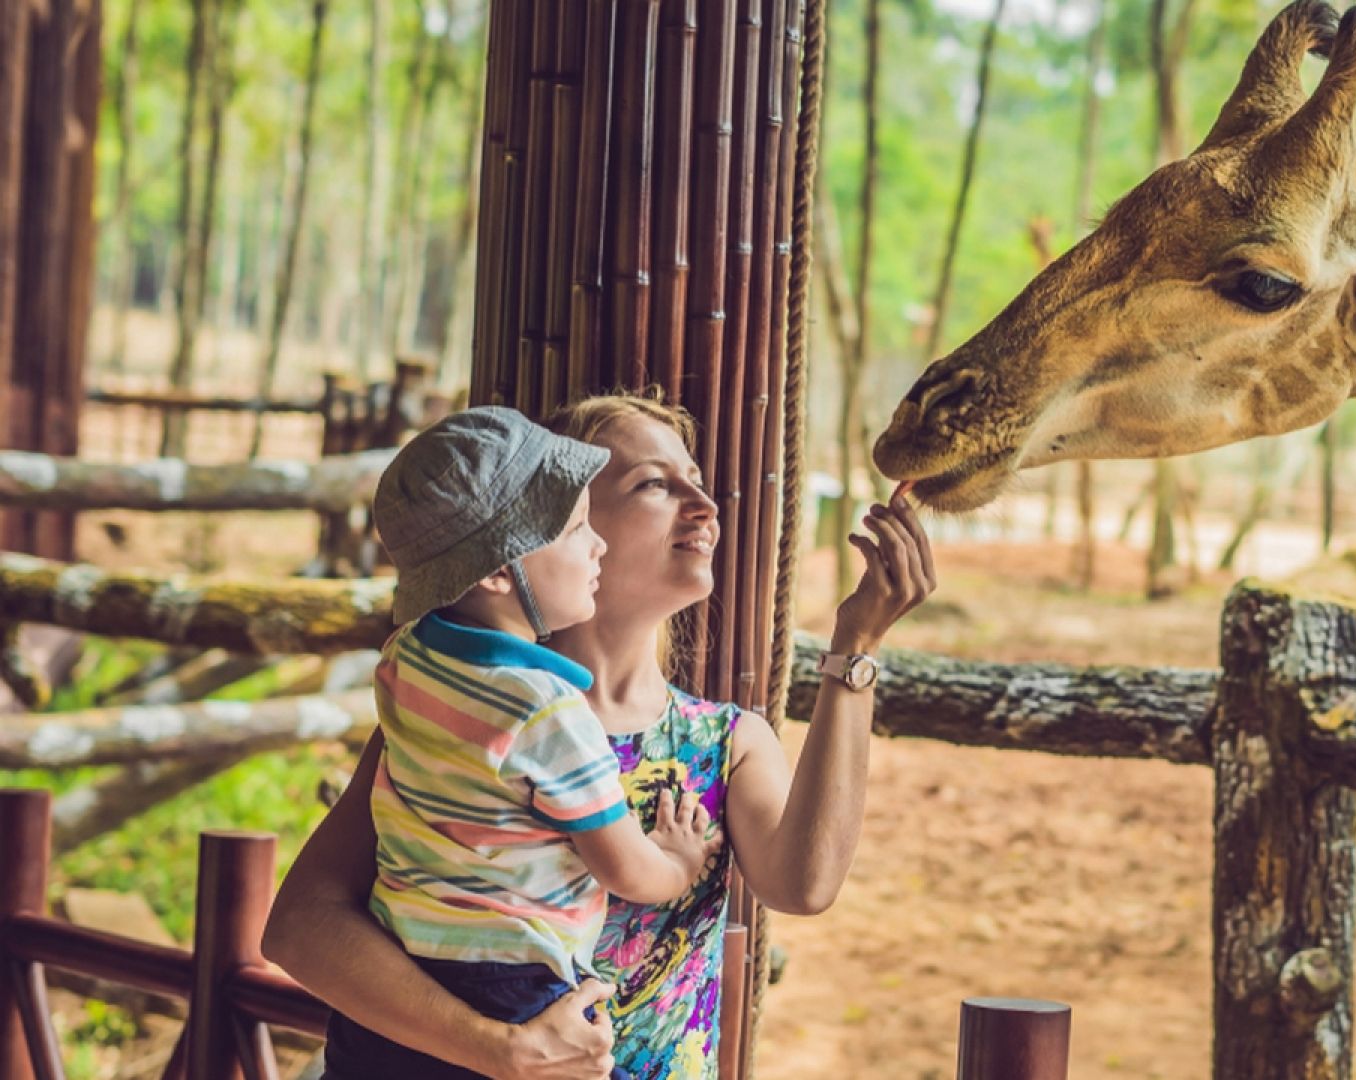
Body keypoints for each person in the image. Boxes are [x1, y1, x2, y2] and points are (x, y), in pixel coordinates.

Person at [264, 388, 937, 1080]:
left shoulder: (722, 743)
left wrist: (858, 643)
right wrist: (498, 1051)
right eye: (652, 483)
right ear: (557, 522)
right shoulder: (466, 720)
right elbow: (301, 929)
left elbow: (804, 884)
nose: (704, 507)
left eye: (696, 481)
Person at [321, 406, 722, 1078]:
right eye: (572, 530)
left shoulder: (403, 661)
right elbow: (625, 868)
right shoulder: (547, 712)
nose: (596, 545)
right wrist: (679, 862)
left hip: (396, 987)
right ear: (498, 573)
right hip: (514, 993)